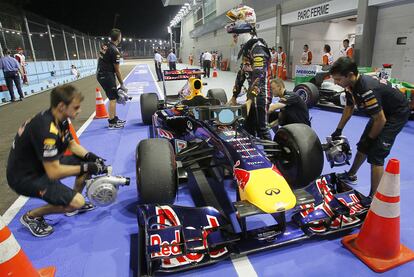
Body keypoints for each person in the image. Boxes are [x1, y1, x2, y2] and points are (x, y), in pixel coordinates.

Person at [6, 84, 107, 237]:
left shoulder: (60, 118)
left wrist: (92, 157)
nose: (79, 110)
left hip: (40, 166)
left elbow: (72, 145)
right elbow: (53, 173)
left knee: (84, 163)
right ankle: (31, 216)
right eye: (76, 107)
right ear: (61, 106)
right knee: (79, 195)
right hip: (24, 177)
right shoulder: (46, 129)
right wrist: (87, 167)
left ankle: (70, 202)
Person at [329, 57, 410, 197]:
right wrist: (339, 129)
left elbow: (380, 120)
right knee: (363, 146)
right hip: (381, 111)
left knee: (376, 154)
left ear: (350, 75)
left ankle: (373, 198)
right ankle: (351, 174)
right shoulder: (349, 85)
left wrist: (370, 138)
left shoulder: (366, 88)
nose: (336, 83)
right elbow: (349, 107)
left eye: (338, 79)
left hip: (396, 113)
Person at [226, 5, 272, 140]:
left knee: (262, 129)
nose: (234, 37)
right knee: (248, 128)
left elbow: (259, 76)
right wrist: (234, 96)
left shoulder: (258, 48)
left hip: (261, 94)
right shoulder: (248, 48)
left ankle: (273, 159)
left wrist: (251, 99)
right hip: (252, 95)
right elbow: (242, 74)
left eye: (236, 34)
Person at [96, 28, 127, 129]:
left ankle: (114, 118)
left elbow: (100, 59)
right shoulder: (115, 50)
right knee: (113, 98)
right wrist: (122, 84)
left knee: (113, 96)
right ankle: (112, 122)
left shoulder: (105, 45)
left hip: (101, 73)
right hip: (107, 75)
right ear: (118, 38)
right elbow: (117, 70)